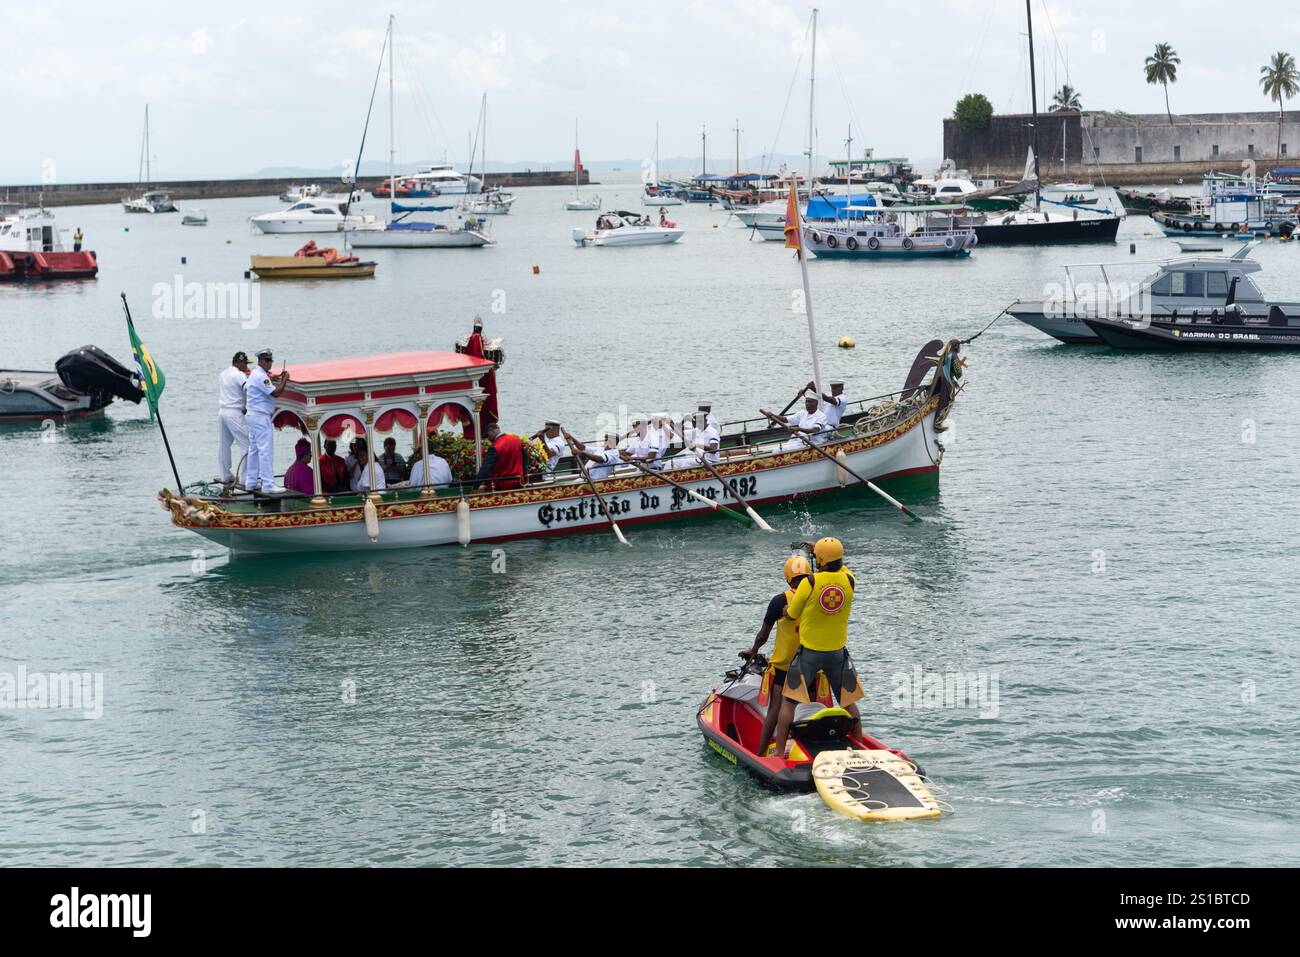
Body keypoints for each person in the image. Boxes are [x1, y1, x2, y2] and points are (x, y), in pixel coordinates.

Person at [770, 537, 865, 759]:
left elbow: (792, 613)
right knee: (848, 702)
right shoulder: (850, 580)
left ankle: (777, 755)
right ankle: (859, 745)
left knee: (789, 703)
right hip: (837, 654)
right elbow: (842, 567)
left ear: (819, 559)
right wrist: (821, 551)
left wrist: (785, 611)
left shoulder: (809, 583)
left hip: (809, 656)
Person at [740, 555, 811, 758]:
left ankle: (761, 754)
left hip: (784, 666)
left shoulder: (780, 600)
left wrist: (753, 651)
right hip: (811, 662)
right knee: (810, 706)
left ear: (787, 576)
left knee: (776, 709)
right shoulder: (814, 597)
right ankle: (811, 749)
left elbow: (763, 634)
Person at [243, 348, 290, 493]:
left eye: (271, 361)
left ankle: (250, 482)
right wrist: (284, 380)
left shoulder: (257, 374)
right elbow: (275, 393)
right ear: (261, 360)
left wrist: (276, 378)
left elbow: (268, 381)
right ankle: (268, 484)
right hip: (260, 417)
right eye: (267, 360)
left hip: (252, 416)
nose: (270, 363)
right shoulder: (260, 376)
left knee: (254, 450)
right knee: (265, 451)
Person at [217, 351, 249, 485]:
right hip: (234, 412)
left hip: (222, 412)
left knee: (224, 445)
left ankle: (225, 475)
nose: (246, 367)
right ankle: (245, 478)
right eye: (245, 364)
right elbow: (248, 390)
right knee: (248, 445)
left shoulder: (223, 374)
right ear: (239, 362)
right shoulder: (239, 375)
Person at [474, 422, 525, 490]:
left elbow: (486, 467)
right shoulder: (516, 440)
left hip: (501, 485)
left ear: (491, 431)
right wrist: (524, 476)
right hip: (519, 481)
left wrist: (476, 485)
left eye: (487, 436)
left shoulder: (495, 447)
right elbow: (525, 460)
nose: (488, 439)